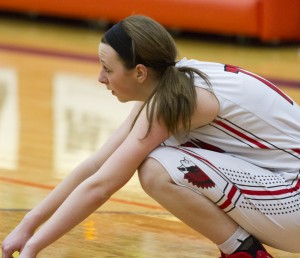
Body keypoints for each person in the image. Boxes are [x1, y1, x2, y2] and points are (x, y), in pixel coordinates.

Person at [2, 14, 300, 258]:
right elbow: (96, 166)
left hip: (294, 198)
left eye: (107, 69)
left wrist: (33, 248)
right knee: (159, 159)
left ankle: (243, 253)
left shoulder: (174, 102)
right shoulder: (173, 82)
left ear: (140, 72)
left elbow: (102, 187)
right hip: (286, 191)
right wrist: (28, 226)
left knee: (157, 168)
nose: (100, 78)